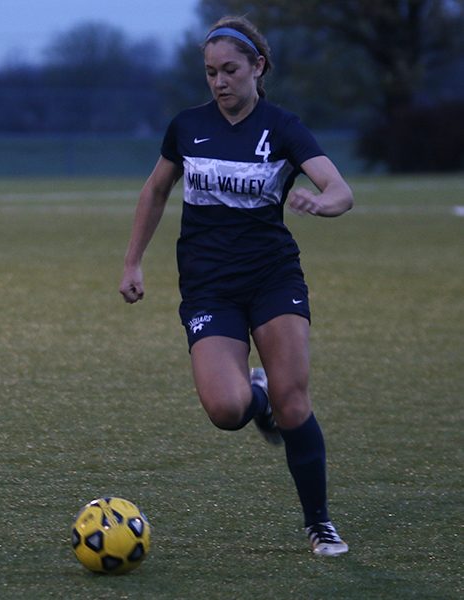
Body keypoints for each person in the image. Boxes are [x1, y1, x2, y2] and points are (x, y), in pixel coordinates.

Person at [119, 16, 353, 556]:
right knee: (226, 410)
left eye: (229, 70)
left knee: (294, 403)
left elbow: (340, 189)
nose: (220, 82)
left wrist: (321, 203)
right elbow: (155, 192)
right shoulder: (187, 126)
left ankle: (319, 524)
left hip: (273, 279)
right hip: (209, 289)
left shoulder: (283, 128)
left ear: (257, 67)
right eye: (210, 73)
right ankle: (257, 393)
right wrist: (133, 263)